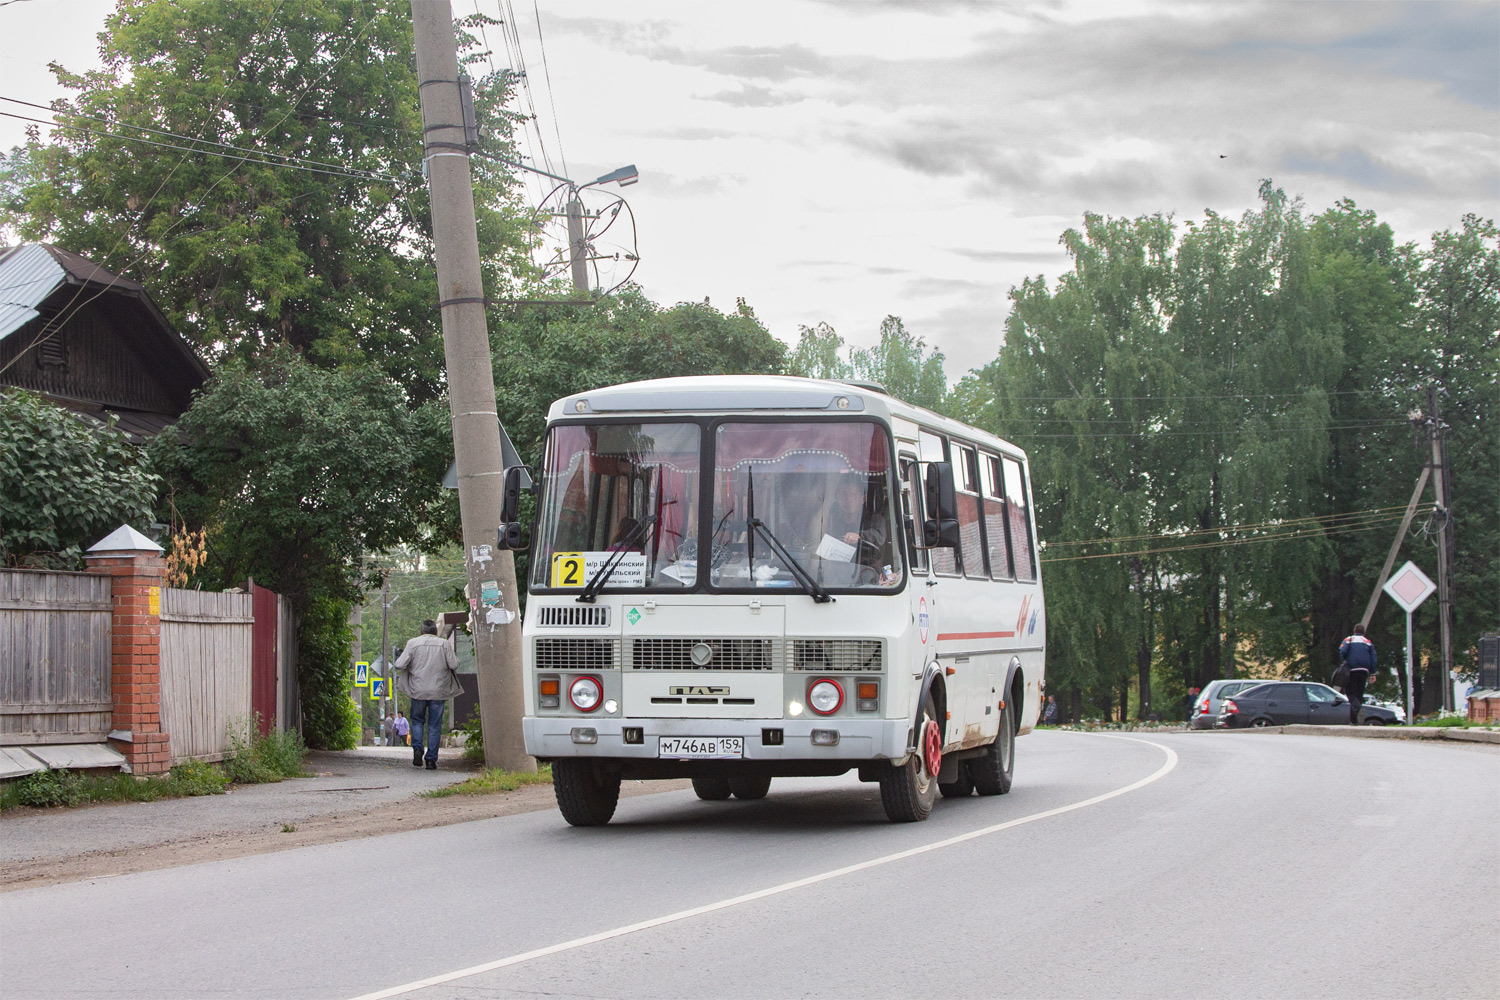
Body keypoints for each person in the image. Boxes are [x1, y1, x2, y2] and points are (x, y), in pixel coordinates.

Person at [394, 620, 463, 769]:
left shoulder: (412, 643)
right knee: (434, 725)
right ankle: (431, 759)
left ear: (421, 631)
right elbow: (454, 664)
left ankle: (418, 748)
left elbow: (399, 664)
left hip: (418, 690)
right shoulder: (443, 644)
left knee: (417, 720)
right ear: (436, 631)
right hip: (438, 691)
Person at [1339, 623, 1377, 725]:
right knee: (1359, 694)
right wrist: (1373, 673)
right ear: (1363, 632)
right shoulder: (1368, 642)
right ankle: (1354, 720)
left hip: (1352, 669)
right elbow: (1373, 658)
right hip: (1364, 670)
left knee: (1350, 693)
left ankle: (1356, 711)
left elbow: (1342, 651)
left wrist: (1346, 659)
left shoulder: (1349, 639)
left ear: (1354, 631)